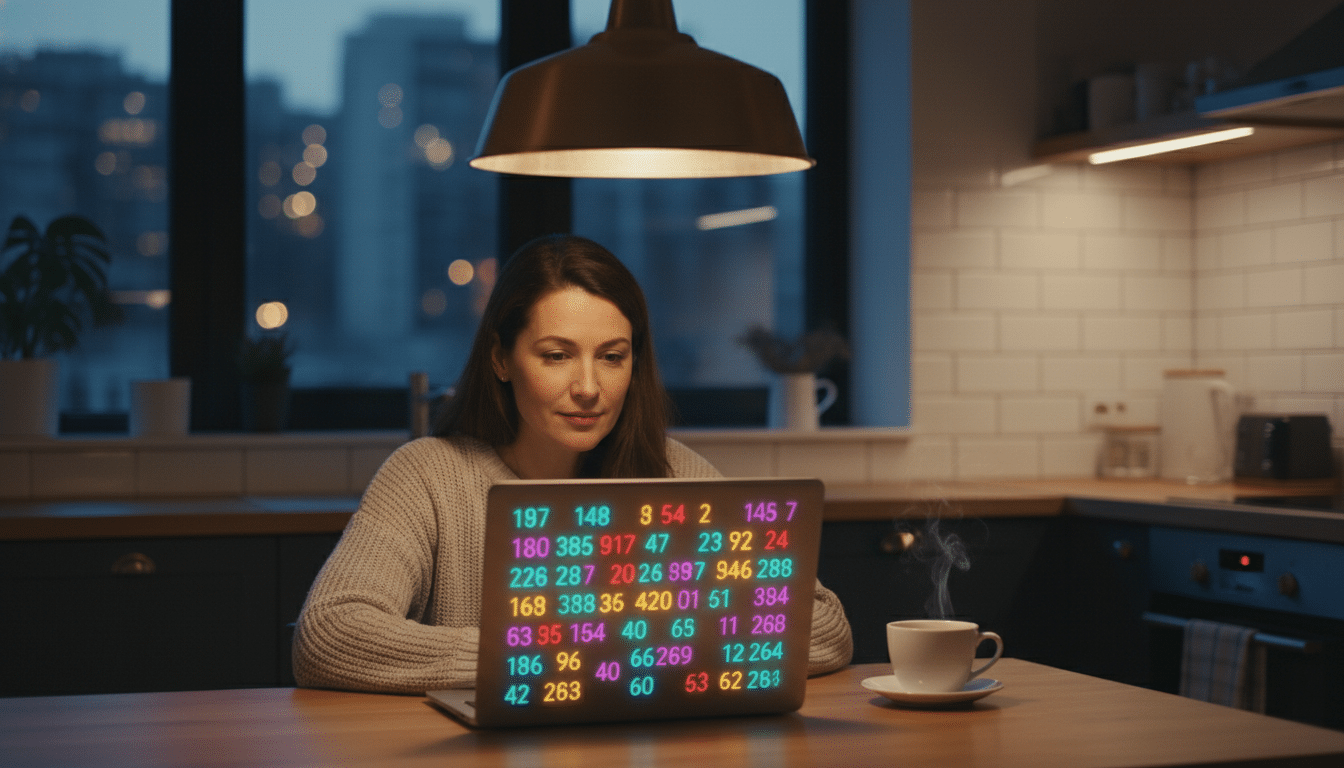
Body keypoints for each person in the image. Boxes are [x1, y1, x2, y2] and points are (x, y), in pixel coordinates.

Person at [292, 234, 853, 694]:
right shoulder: (427, 476)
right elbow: (329, 634)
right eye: (557, 356)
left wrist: (619, 654)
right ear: (501, 359)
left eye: (612, 357)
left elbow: (826, 627)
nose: (588, 387)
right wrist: (552, 654)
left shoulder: (673, 474)